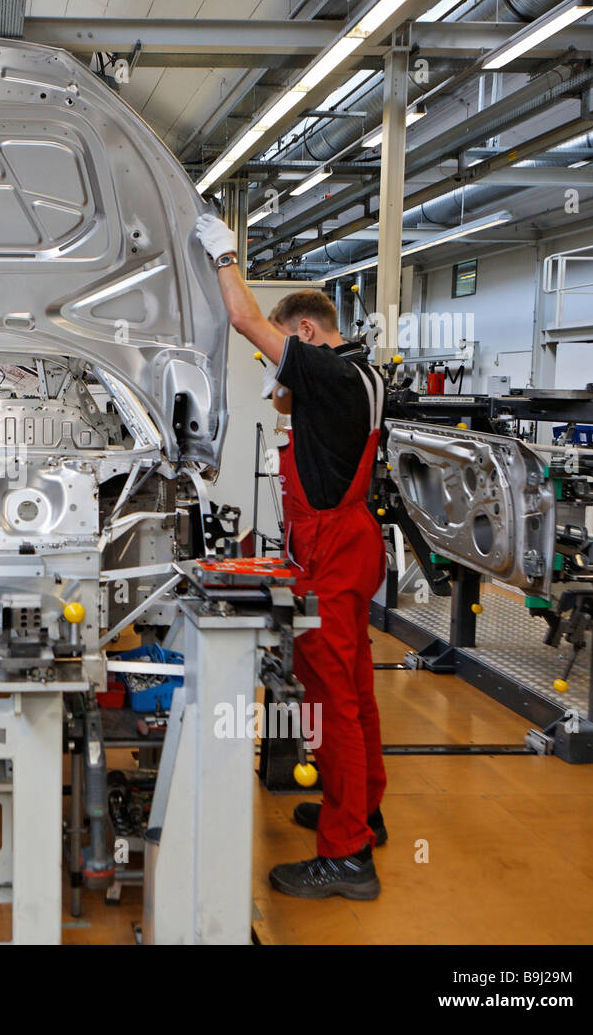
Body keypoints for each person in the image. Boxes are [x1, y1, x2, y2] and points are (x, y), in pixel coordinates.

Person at [195, 212, 387, 901]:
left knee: (331, 700)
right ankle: (362, 811)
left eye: (283, 352)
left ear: (304, 332)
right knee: (356, 690)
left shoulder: (327, 372)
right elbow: (287, 406)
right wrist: (278, 382)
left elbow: (246, 320)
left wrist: (224, 255)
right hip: (351, 544)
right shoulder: (360, 371)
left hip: (334, 549)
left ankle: (346, 856)